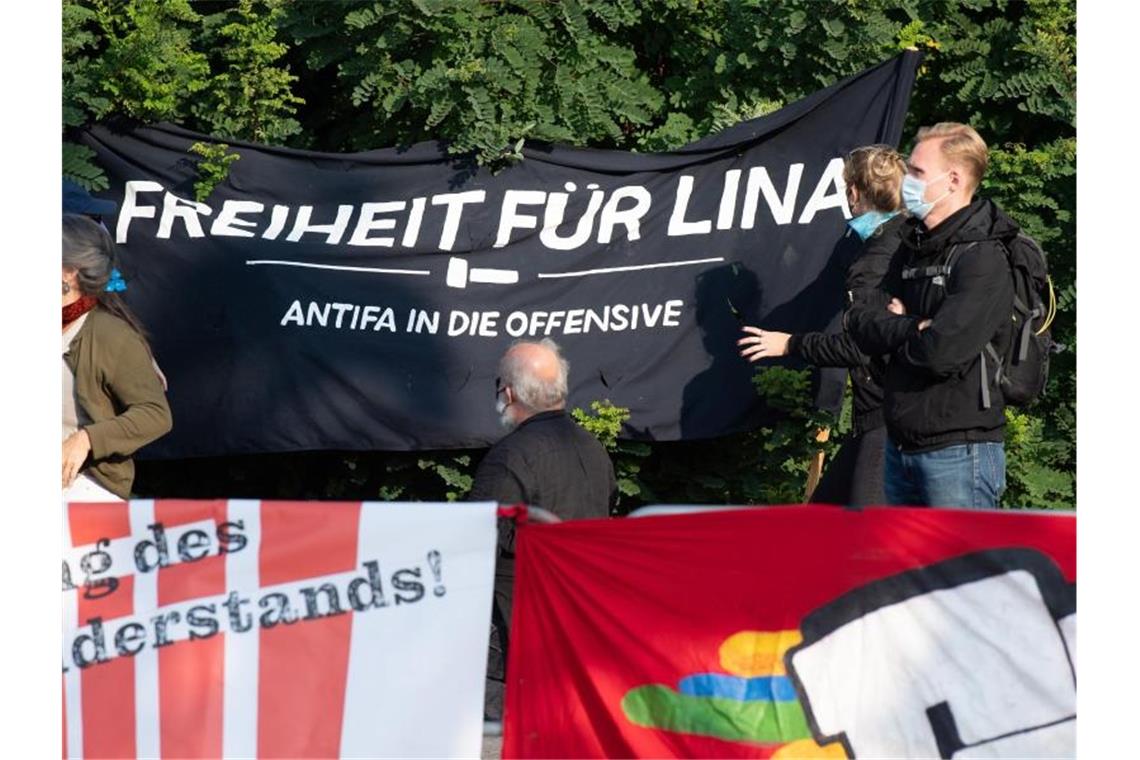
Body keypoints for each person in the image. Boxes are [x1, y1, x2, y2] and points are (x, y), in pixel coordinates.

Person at [846, 122, 1015, 509]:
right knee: (906, 568)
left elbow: (940, 353)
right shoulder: (910, 245)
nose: (907, 181)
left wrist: (899, 330)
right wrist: (914, 326)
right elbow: (859, 323)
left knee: (961, 569)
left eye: (918, 172)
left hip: (958, 452)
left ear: (953, 180)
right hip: (900, 442)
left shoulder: (983, 256)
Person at [736, 145, 908, 506]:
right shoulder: (898, 238)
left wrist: (789, 344)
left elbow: (861, 345)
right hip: (880, 419)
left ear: (854, 192)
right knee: (823, 519)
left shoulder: (876, 259)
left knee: (866, 539)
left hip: (890, 421)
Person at [469, 338, 616, 720]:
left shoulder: (508, 458)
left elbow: (473, 541)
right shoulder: (594, 451)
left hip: (510, 641)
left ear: (508, 392)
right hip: (577, 628)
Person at [63, 214, 173, 501]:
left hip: (80, 491)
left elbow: (156, 415)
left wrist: (87, 439)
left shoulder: (110, 335)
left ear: (68, 273)